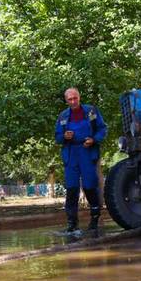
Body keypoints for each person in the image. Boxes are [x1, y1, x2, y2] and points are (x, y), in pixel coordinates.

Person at [54, 88, 107, 234]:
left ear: (79, 97)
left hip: (87, 152)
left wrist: (94, 139)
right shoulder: (63, 116)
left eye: (75, 98)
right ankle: (72, 224)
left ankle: (95, 219)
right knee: (71, 188)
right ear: (66, 100)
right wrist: (65, 136)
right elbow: (57, 137)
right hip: (71, 154)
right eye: (70, 99)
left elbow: (102, 129)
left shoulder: (91, 111)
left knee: (90, 186)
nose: (73, 101)